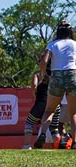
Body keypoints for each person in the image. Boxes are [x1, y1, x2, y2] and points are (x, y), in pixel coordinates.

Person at [36, 20, 76, 148]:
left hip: (56, 76)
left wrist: (43, 75)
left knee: (49, 110)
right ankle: (75, 141)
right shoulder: (74, 44)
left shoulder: (52, 44)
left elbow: (43, 62)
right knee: (73, 113)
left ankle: (42, 133)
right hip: (72, 75)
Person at [24, 56, 60, 149]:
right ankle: (58, 146)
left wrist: (34, 93)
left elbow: (34, 85)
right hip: (56, 104)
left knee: (29, 123)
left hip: (41, 103)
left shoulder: (38, 74)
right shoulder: (56, 74)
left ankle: (27, 145)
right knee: (54, 127)